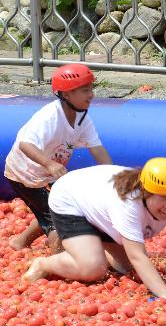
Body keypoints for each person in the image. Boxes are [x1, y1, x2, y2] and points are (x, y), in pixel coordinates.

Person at [23, 158, 166, 301]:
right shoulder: (128, 203)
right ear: (145, 192)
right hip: (70, 199)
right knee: (93, 269)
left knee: (125, 269)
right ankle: (43, 264)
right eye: (162, 197)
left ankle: (88, 246)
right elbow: (138, 256)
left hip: (102, 210)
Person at [4, 63, 112, 253]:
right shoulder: (49, 117)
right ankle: (57, 260)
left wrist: (115, 176)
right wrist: (50, 164)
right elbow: (24, 144)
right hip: (25, 174)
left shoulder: (82, 119)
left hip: (49, 174)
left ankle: (20, 241)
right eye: (85, 90)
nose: (91, 94)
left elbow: (97, 149)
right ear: (66, 94)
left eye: (91, 89)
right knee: (58, 219)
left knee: (66, 206)